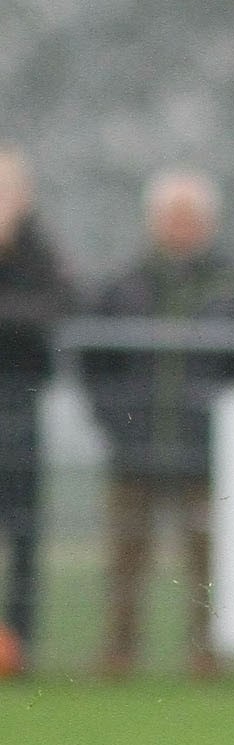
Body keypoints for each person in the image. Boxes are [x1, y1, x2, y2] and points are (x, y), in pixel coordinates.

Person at [86, 168, 234, 679]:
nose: (180, 227)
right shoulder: (123, 285)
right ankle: (118, 653)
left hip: (205, 454)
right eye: (171, 217)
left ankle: (207, 654)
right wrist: (116, 422)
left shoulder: (233, 289)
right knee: (124, 556)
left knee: (207, 560)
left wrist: (228, 429)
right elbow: (95, 364)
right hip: (134, 450)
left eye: (190, 217)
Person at [0, 147, 67, 673]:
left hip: (20, 410)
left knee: (24, 529)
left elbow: (54, 307)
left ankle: (19, 643)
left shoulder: (40, 253)